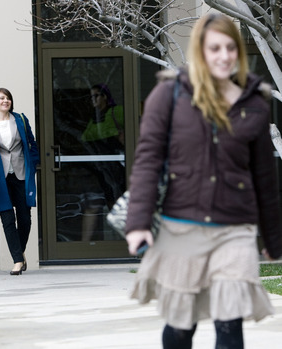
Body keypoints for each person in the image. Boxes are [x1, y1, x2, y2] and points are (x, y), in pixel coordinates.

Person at [125, 13, 282, 348]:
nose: (224, 56)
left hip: (234, 230)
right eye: (215, 48)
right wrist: (138, 223)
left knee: (230, 324)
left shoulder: (253, 104)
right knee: (181, 326)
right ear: (200, 51)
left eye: (230, 48)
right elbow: (148, 162)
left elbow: (264, 178)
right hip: (181, 226)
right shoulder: (169, 97)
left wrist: (273, 237)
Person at [0, 88, 39, 275]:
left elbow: (32, 144)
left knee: (25, 219)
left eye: (8, 98)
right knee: (8, 220)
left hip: (21, 175)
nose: (6, 101)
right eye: (2, 98)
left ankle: (19, 252)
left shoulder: (20, 119)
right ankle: (18, 260)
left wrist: (33, 165)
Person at [80, 84, 125, 241]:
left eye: (96, 95)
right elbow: (85, 138)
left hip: (118, 164)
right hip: (101, 167)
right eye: (91, 96)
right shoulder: (95, 117)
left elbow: (134, 128)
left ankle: (127, 244)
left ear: (105, 97)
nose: (93, 99)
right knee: (98, 202)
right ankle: (85, 245)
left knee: (118, 203)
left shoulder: (117, 112)